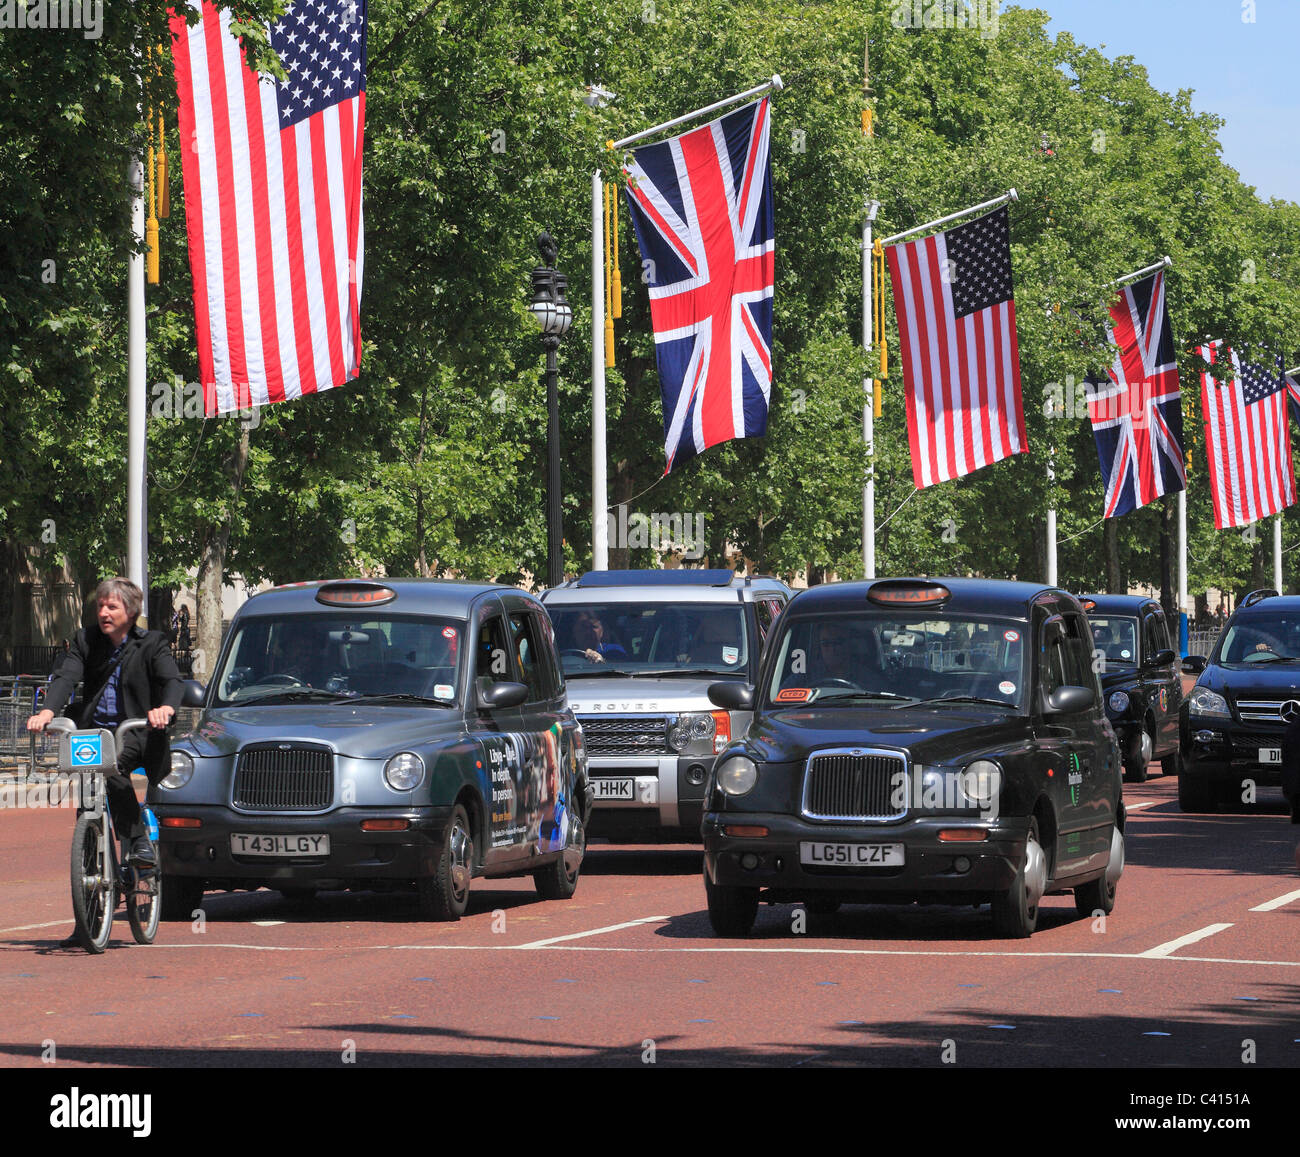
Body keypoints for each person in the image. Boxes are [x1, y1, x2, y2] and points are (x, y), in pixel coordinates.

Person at [27, 577, 183, 869]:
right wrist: (48, 711)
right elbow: (66, 677)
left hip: (136, 732)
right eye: (100, 606)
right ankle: (90, 874)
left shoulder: (152, 643)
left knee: (108, 768)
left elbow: (172, 681)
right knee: (88, 786)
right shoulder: (85, 640)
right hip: (94, 731)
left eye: (112, 606)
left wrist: (165, 708)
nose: (103, 613)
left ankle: (137, 840)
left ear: (132, 611)